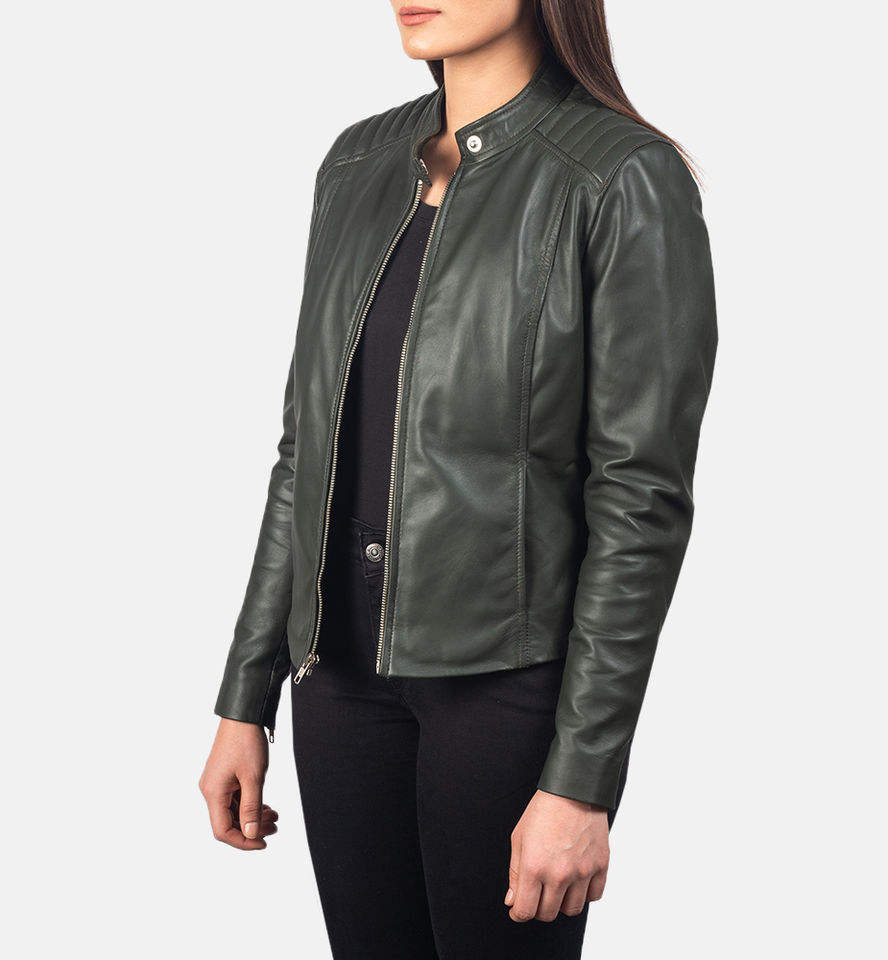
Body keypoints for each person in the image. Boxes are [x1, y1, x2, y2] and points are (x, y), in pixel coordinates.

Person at [199, 1, 717, 957]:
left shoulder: (619, 177)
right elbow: (304, 452)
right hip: (338, 682)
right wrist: (245, 696)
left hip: (506, 692)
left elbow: (640, 502)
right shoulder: (356, 163)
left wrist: (582, 780)